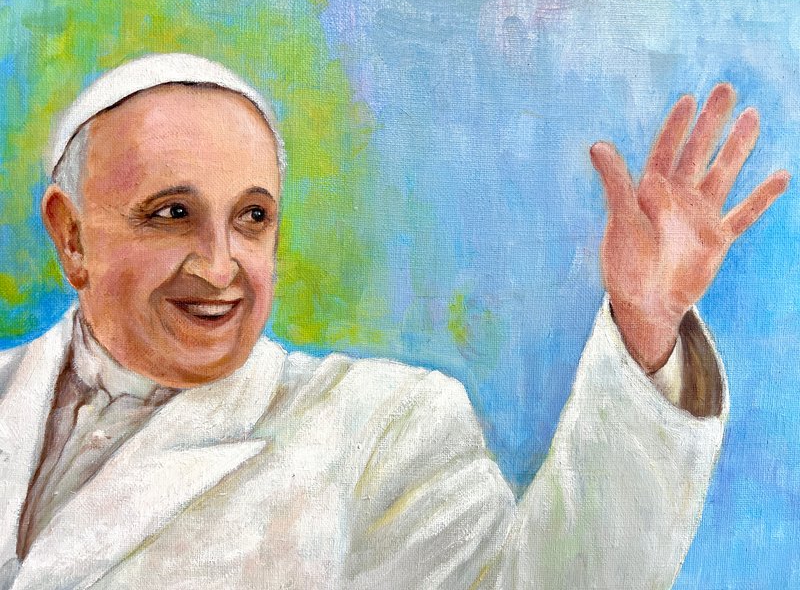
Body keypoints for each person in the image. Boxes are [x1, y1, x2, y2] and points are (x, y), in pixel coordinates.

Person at [0, 53, 788, 590]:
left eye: (252, 218)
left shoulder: (380, 425)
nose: (218, 266)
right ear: (72, 236)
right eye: (172, 214)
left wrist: (645, 325)